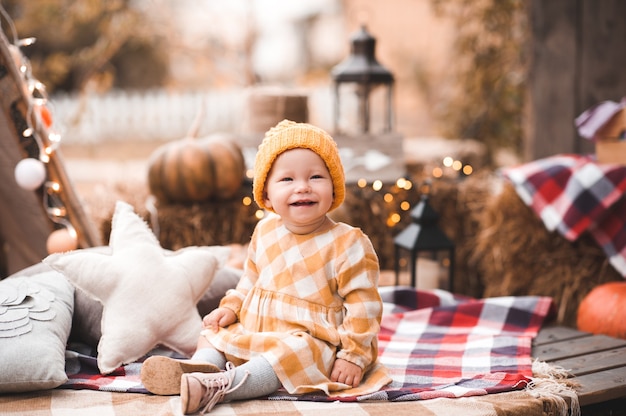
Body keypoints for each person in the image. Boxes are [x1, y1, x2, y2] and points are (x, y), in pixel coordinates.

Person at [141, 119, 391, 414]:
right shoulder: (265, 231)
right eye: (287, 180)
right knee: (213, 331)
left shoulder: (347, 243)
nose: (303, 188)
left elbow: (365, 307)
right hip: (259, 326)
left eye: (316, 177)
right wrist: (231, 308)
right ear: (267, 195)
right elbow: (250, 279)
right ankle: (202, 367)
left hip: (313, 338)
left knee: (291, 353)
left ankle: (223, 385)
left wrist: (353, 355)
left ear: (334, 187)